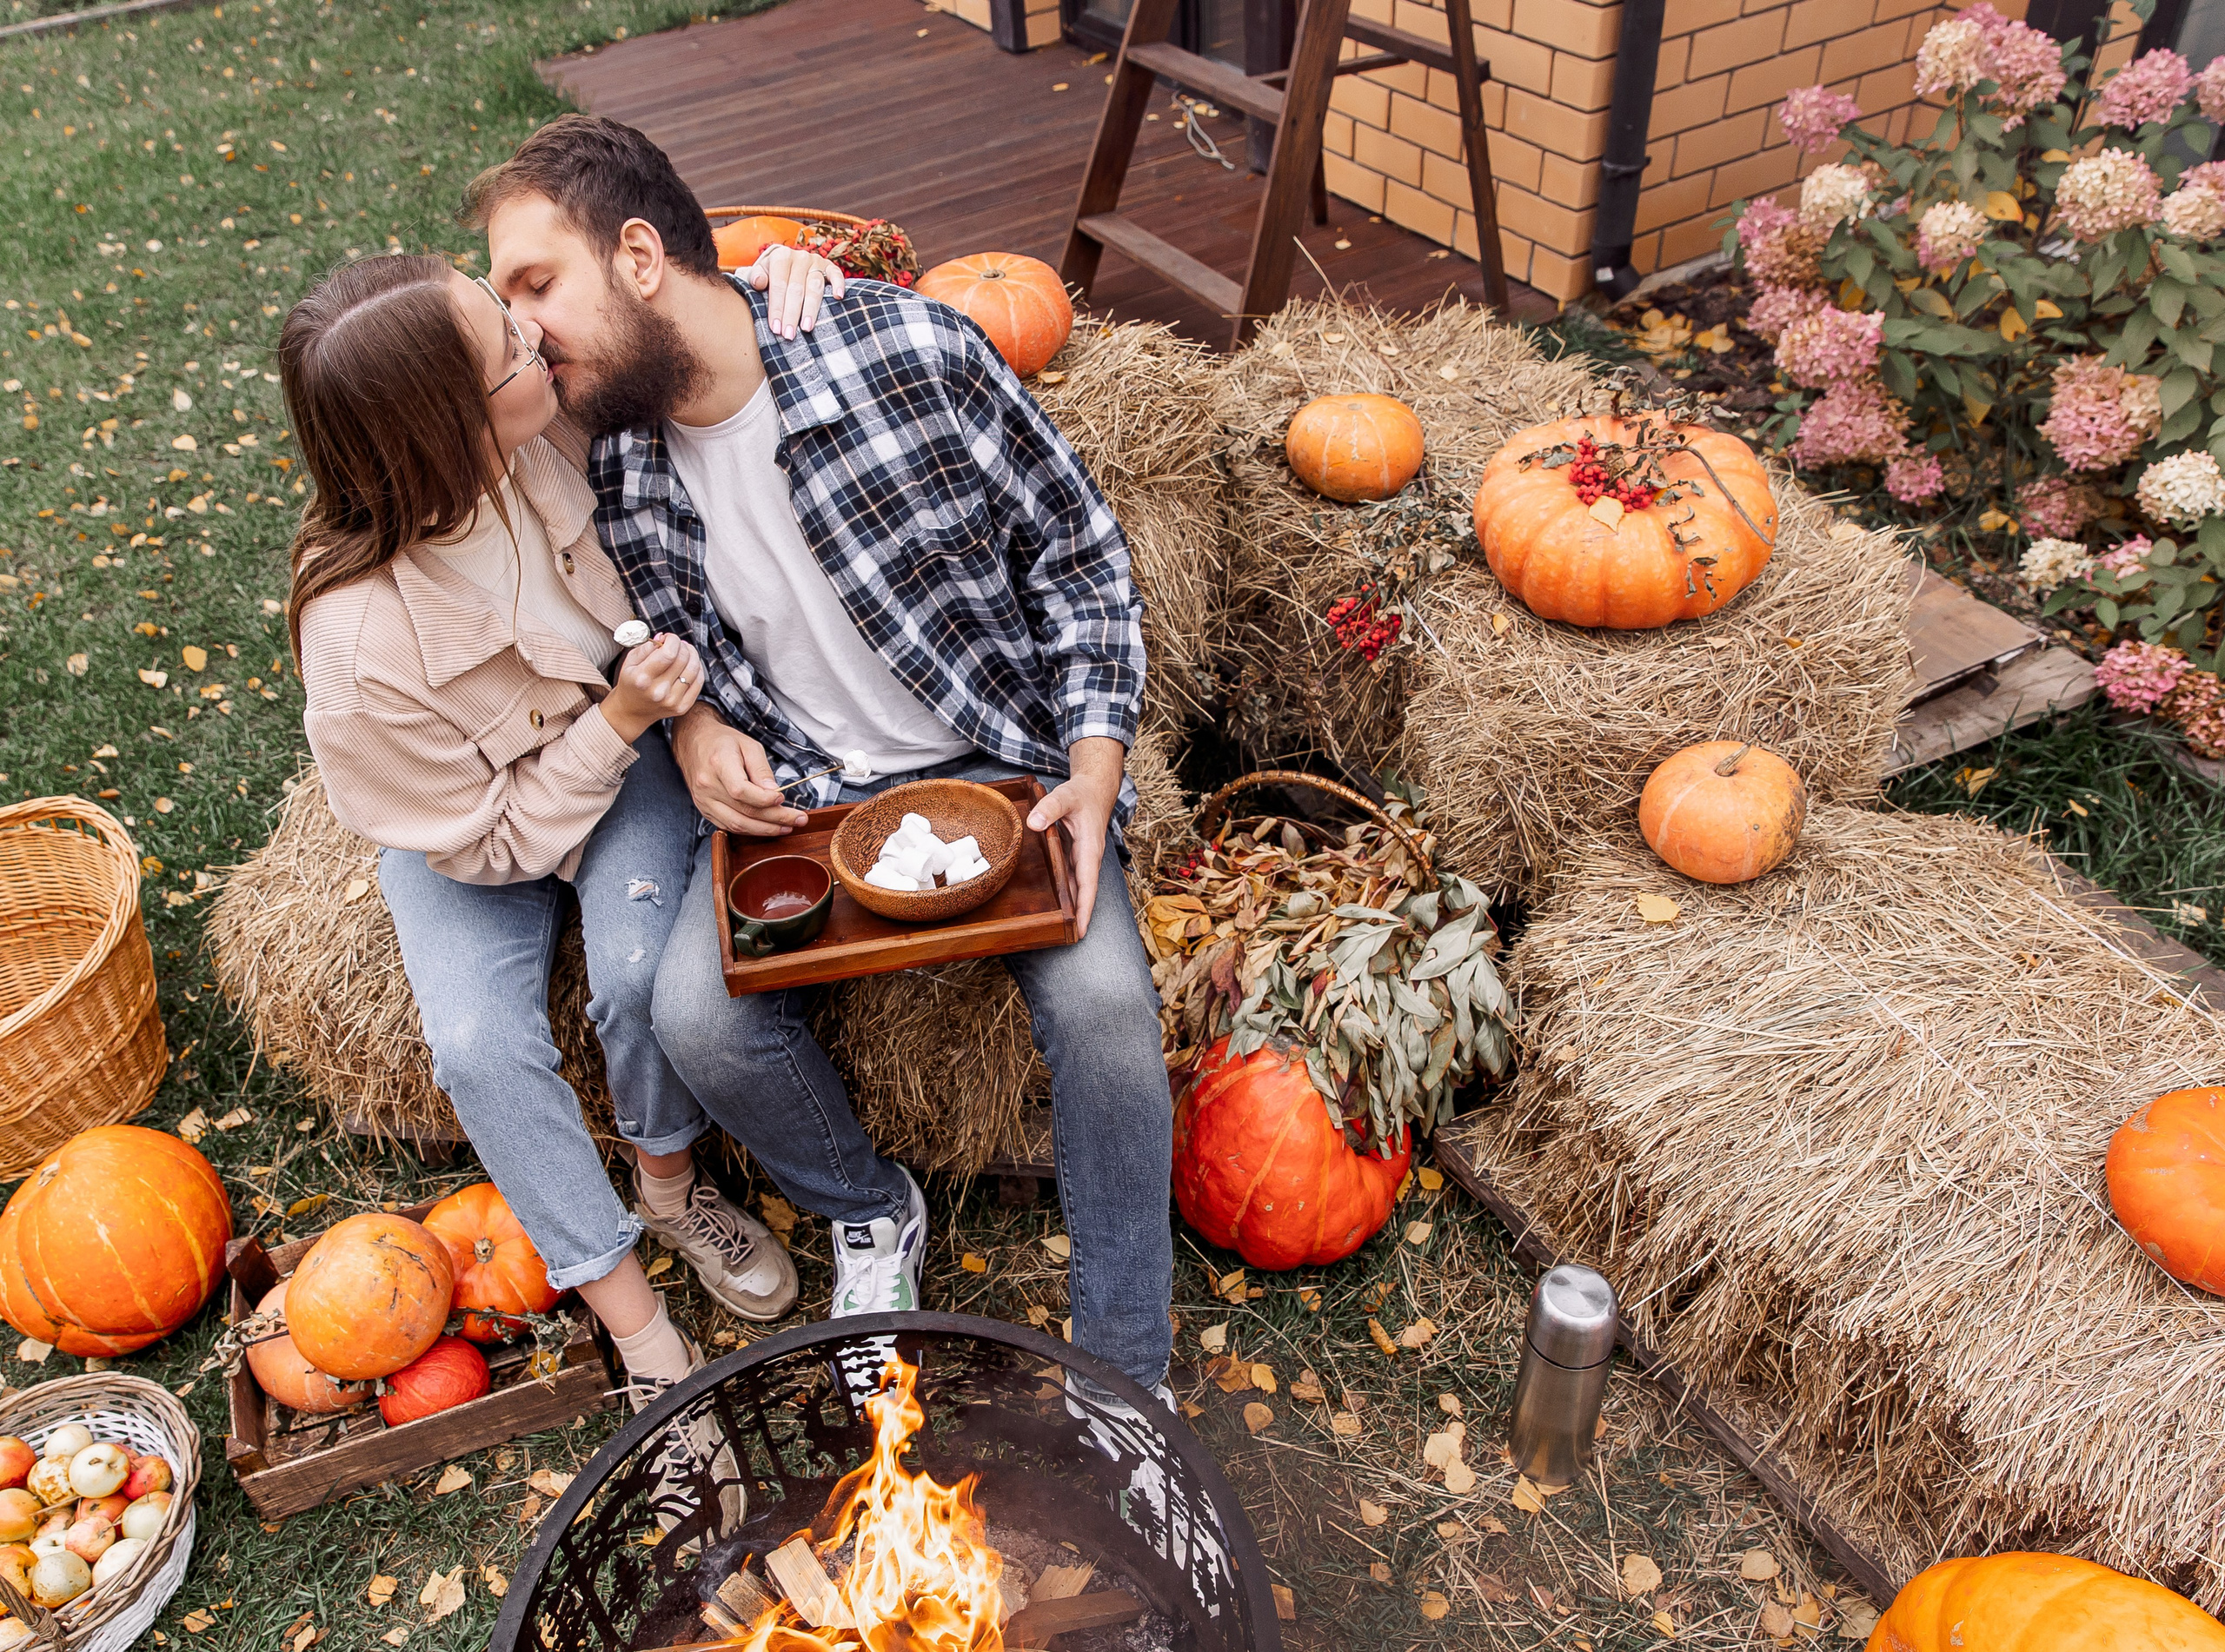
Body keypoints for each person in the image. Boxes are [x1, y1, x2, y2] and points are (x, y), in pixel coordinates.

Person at [468, 115, 1176, 1410]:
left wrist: (1095, 754)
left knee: (1111, 1015)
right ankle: (869, 1207)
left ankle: (1128, 1380)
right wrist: (692, 727)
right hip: (809, 790)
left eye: (535, 285)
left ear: (637, 255)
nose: (521, 330)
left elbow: (1079, 554)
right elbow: (655, 632)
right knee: (696, 1016)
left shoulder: (906, 351)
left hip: (1001, 757)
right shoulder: (613, 455)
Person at [280, 242, 843, 1426]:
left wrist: (784, 269)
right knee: (479, 1043)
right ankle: (632, 1314)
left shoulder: (552, 419)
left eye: (507, 312)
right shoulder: (357, 645)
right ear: (451, 432)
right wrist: (627, 719)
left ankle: (665, 1175)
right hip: (476, 830)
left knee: (641, 971)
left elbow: (655, 280)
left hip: (616, 743)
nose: (535, 334)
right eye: (506, 347)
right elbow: (489, 848)